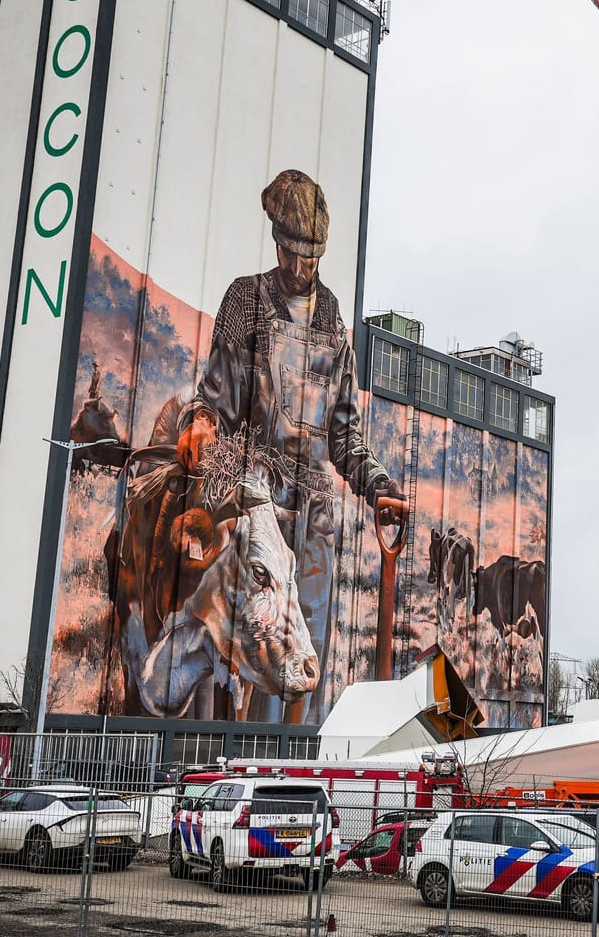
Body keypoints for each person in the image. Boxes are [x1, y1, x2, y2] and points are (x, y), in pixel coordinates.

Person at [139, 169, 403, 720]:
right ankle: (221, 762)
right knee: (246, 643)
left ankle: (291, 771)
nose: (301, 266)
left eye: (311, 256)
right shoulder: (248, 299)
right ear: (277, 242)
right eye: (291, 251)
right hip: (255, 505)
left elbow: (345, 435)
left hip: (315, 521)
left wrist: (377, 484)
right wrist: (205, 420)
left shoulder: (333, 323)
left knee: (305, 662)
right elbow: (216, 394)